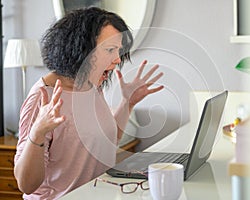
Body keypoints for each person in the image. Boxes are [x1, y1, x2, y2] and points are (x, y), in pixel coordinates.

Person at [14, 7, 164, 199]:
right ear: (80, 49)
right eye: (110, 50)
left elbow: (105, 142)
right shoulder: (43, 98)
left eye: (118, 51)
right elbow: (26, 185)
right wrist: (37, 133)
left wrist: (128, 102)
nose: (118, 59)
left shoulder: (91, 86)